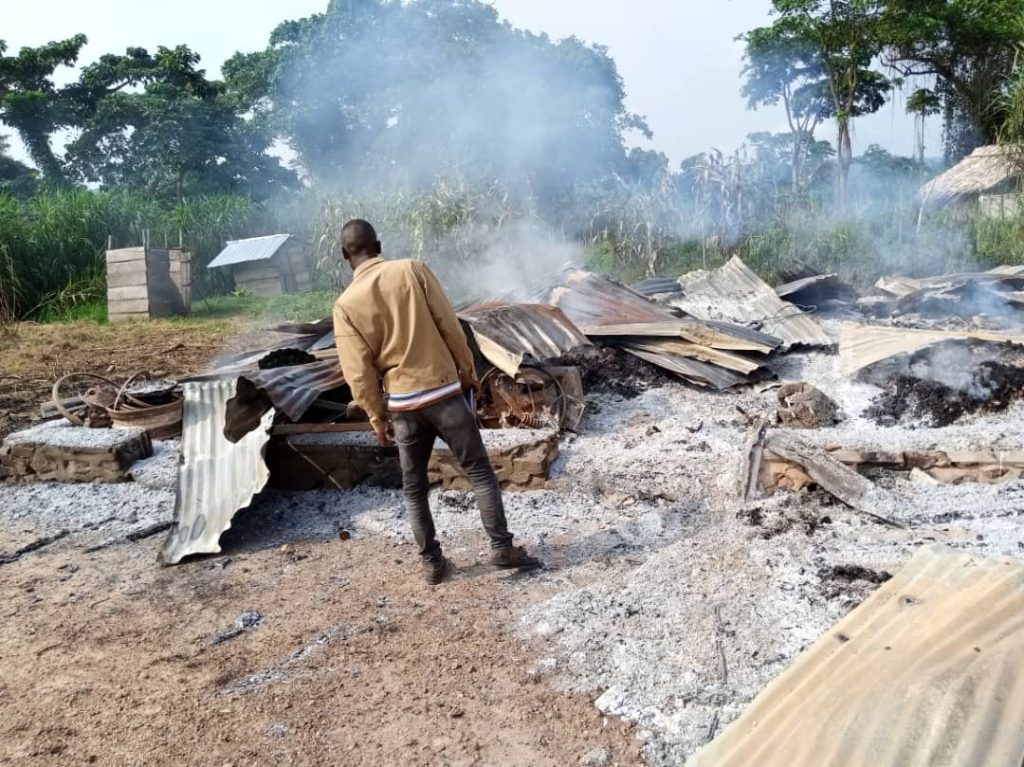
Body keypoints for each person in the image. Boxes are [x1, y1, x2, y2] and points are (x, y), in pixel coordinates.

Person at [332, 219, 542, 584]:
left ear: (344, 255)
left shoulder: (345, 305)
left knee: (414, 489)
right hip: (444, 395)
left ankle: (432, 564)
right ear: (378, 243)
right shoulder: (411, 270)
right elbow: (449, 323)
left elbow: (359, 372)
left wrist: (376, 417)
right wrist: (466, 369)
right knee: (479, 472)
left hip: (402, 407)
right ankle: (501, 549)